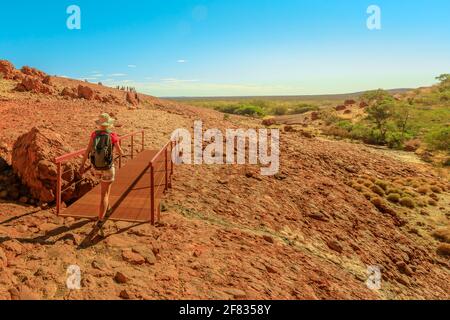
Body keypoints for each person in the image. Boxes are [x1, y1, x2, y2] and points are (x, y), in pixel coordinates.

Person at [79, 113, 124, 236]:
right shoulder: (112, 135)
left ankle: (107, 209)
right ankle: (100, 220)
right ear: (109, 124)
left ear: (99, 124)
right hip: (108, 168)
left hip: (96, 168)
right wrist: (118, 152)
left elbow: (88, 150)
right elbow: (120, 152)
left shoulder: (94, 134)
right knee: (104, 194)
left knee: (104, 190)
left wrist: (82, 165)